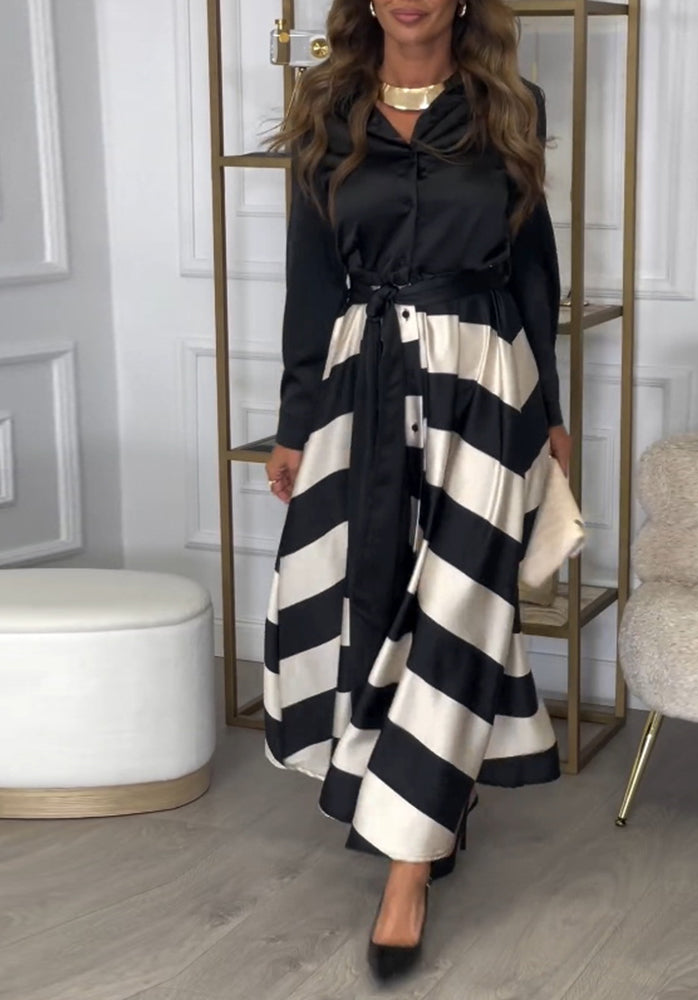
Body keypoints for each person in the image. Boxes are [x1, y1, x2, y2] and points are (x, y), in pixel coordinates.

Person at [264, 0, 570, 982]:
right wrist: (295, 421)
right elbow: (312, 278)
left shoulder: (509, 104)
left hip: (482, 381)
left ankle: (407, 868)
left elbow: (532, 271)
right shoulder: (327, 108)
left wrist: (549, 413)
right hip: (363, 380)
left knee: (459, 602)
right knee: (377, 592)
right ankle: (433, 796)